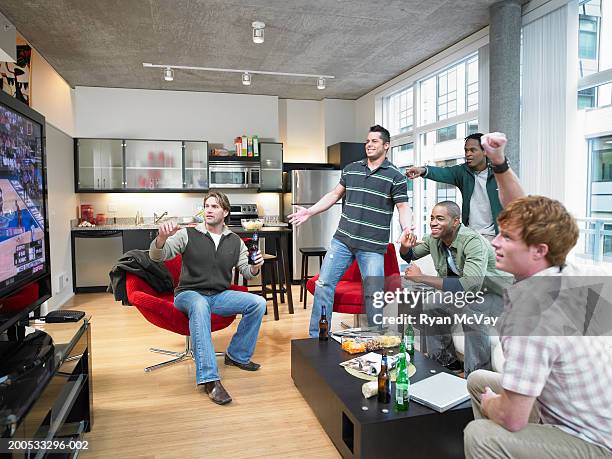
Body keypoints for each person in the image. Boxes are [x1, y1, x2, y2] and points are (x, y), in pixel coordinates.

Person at [464, 196, 612, 458]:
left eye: (507, 237)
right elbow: (540, 218)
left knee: (480, 435)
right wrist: (499, 164)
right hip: (578, 411)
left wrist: (490, 406)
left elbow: (512, 419)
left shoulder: (531, 314)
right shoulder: (568, 271)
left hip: (597, 442)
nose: (495, 242)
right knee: (478, 381)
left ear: (539, 251)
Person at [288, 125, 412, 337]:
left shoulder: (395, 176)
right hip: (343, 241)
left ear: (386, 145)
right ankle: (316, 337)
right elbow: (334, 195)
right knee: (324, 284)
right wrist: (310, 211)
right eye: (367, 141)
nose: (369, 145)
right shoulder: (351, 169)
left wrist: (407, 227)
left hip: (372, 246)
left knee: (374, 294)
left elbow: (403, 207)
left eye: (374, 141)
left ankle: (376, 339)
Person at [149, 191, 267, 405]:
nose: (209, 210)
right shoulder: (188, 234)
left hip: (219, 296)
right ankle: (209, 379)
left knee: (258, 303)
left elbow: (247, 272)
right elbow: (158, 256)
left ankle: (237, 355)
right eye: (207, 206)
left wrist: (256, 266)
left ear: (226, 212)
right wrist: (162, 238)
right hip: (188, 294)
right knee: (200, 304)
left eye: (214, 206)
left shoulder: (235, 242)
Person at [399, 201, 511, 375]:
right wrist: (405, 247)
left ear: (456, 221)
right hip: (469, 292)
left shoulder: (473, 241)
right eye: (432, 218)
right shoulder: (435, 239)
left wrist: (421, 277)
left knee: (472, 311)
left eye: (440, 218)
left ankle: (476, 374)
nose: (433, 223)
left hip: (497, 293)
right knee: (431, 304)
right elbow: (410, 254)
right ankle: (446, 362)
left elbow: (470, 285)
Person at [406, 132, 524, 240]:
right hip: (470, 234)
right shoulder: (463, 171)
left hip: (494, 236)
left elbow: (516, 201)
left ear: (485, 152)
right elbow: (443, 172)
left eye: (473, 150)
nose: (468, 154)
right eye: (466, 150)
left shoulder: (497, 173)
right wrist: (422, 170)